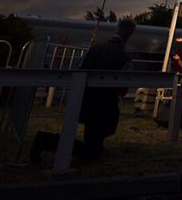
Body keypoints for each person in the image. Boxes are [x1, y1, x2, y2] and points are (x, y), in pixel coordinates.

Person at [31, 18, 136, 164]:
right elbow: (123, 89)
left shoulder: (94, 49)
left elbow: (78, 68)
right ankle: (46, 140)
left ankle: (49, 141)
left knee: (93, 138)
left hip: (85, 99)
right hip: (105, 105)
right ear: (130, 34)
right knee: (92, 150)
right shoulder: (125, 59)